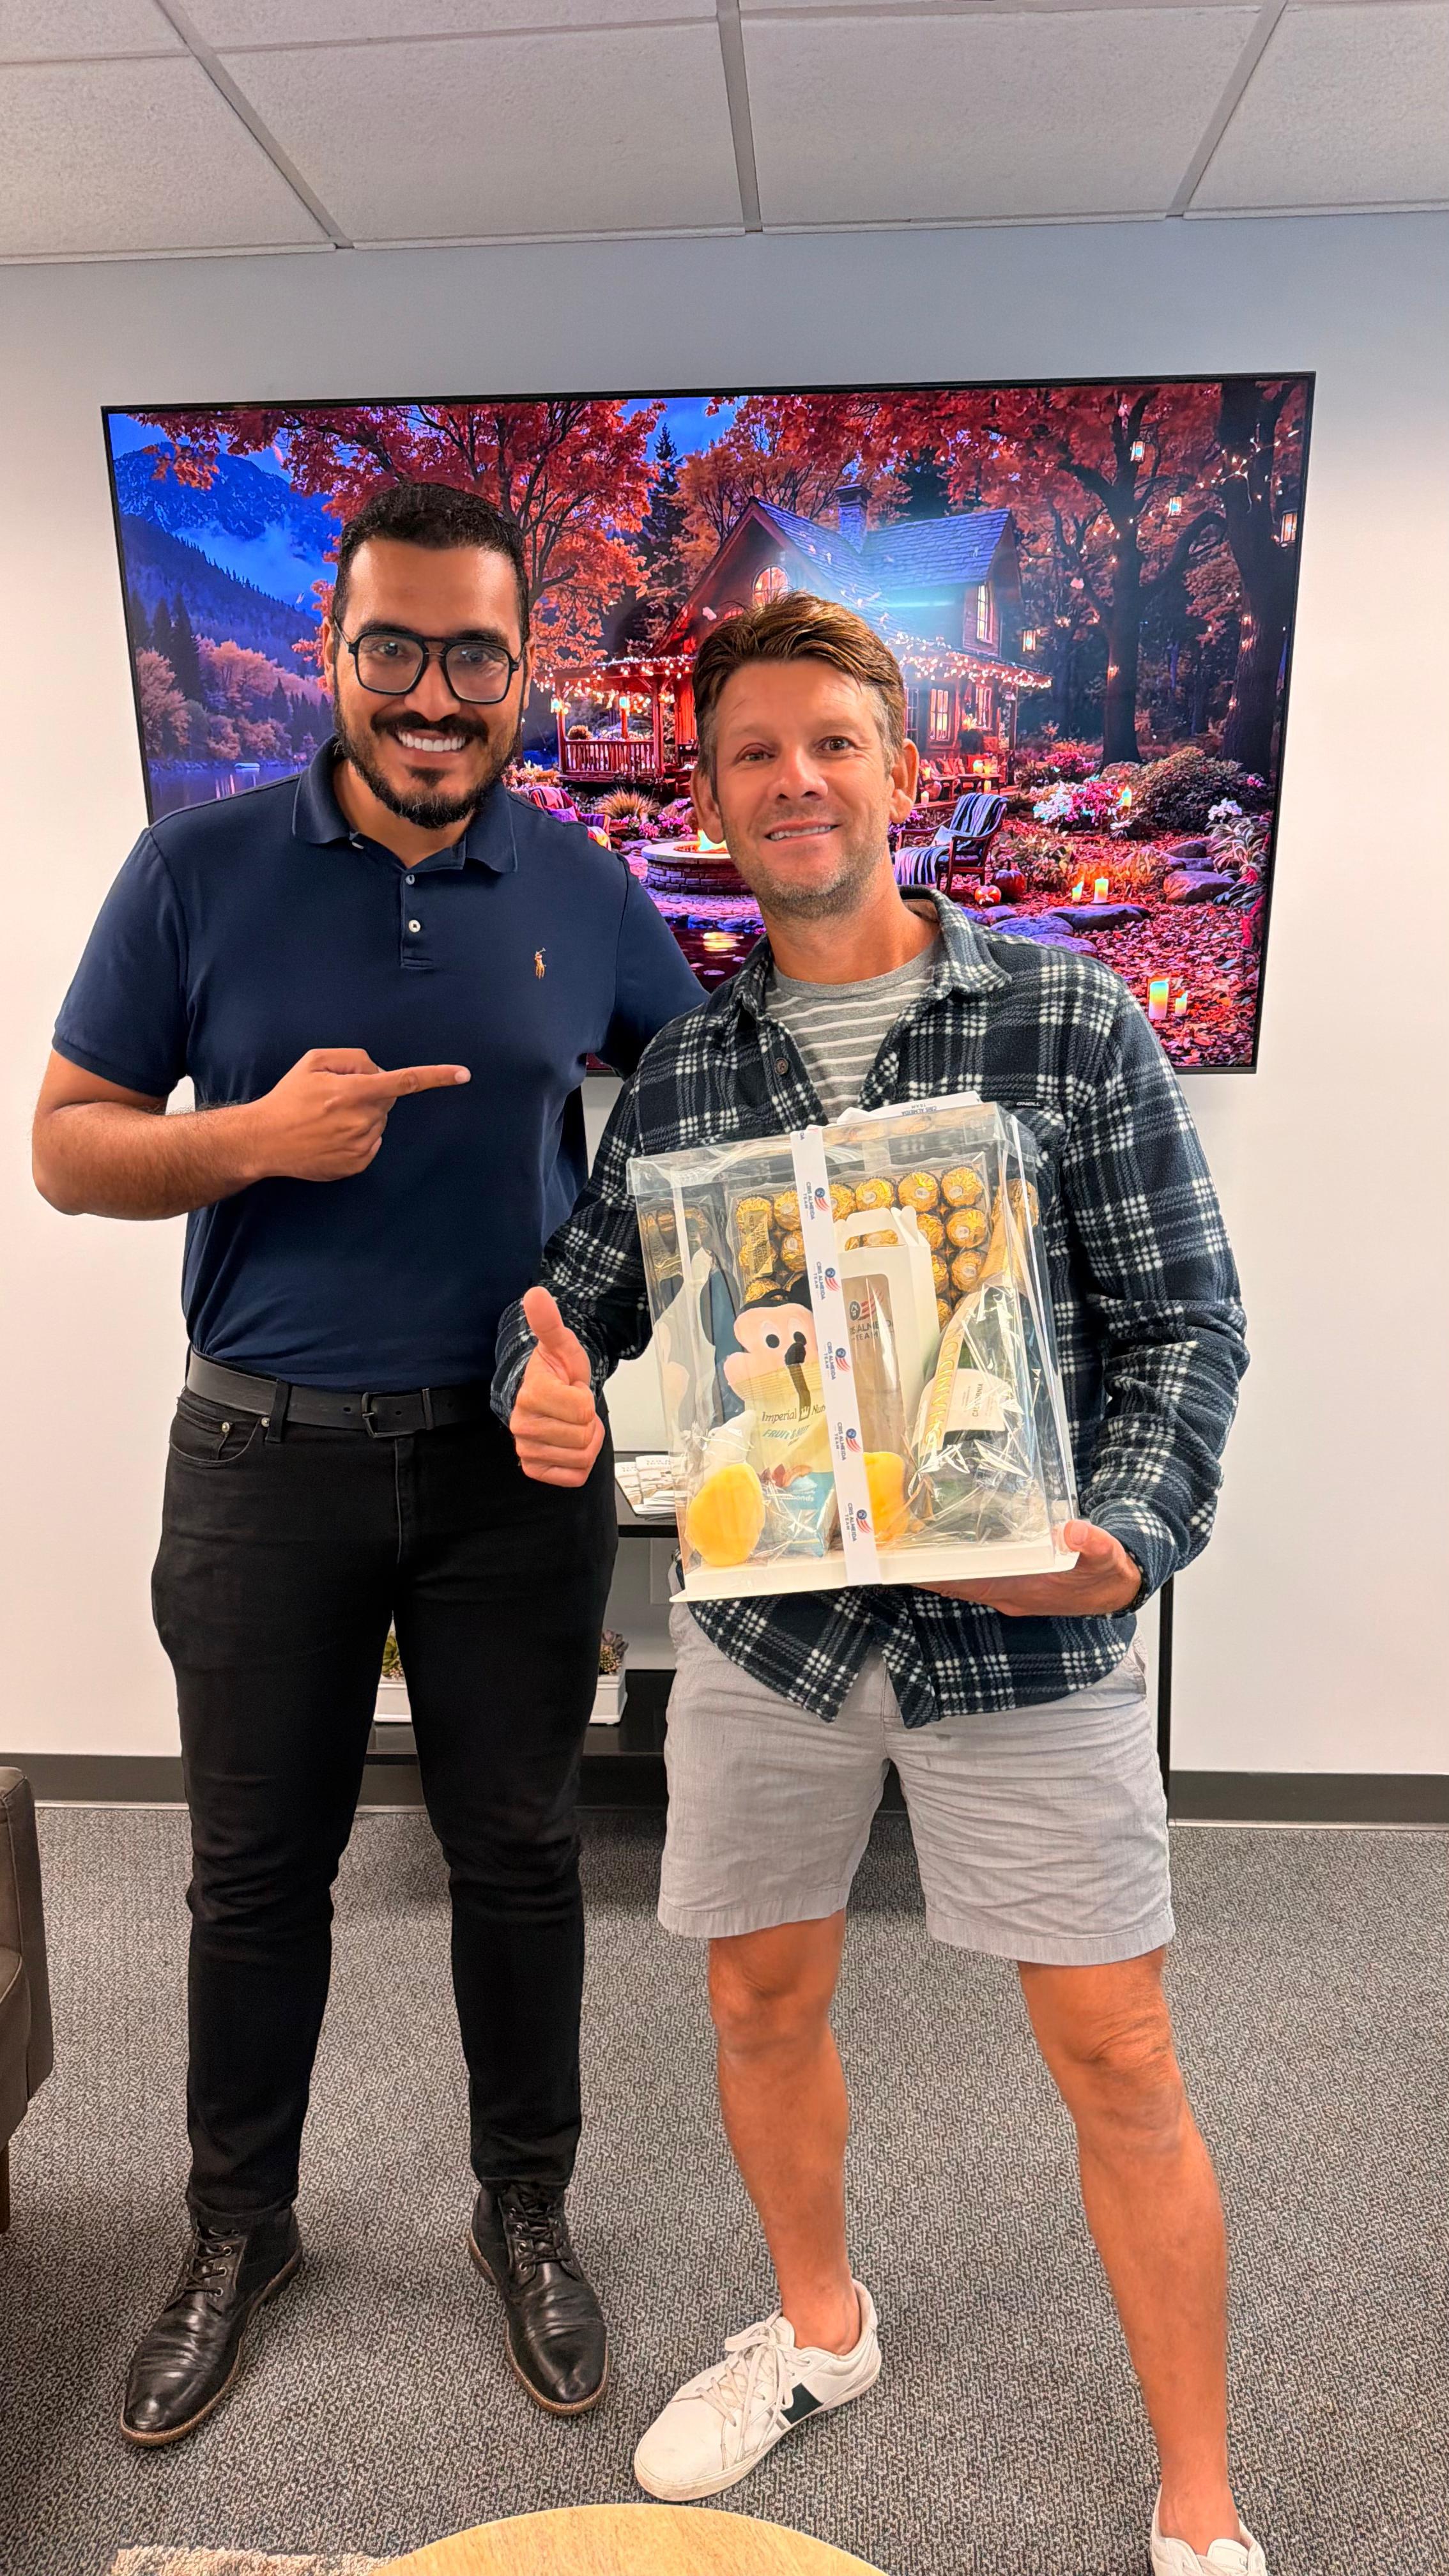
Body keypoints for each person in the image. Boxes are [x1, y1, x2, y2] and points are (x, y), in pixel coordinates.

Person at [499, 594, 1264, 2576]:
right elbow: (575, 1303)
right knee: (759, 2000)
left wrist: (1126, 1536)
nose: (794, 781)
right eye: (751, 753)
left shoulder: (1068, 1018)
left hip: (1026, 1626)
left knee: (1117, 2053)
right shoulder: (685, 1072)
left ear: (900, 771)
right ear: (710, 797)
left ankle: (1198, 2494)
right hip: (775, 1629)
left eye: (831, 742)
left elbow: (1184, 1326)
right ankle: (819, 2328)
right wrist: (540, 1381)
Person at [33, 481, 700, 2446]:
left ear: (523, 667)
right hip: (262, 1459)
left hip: (513, 1471)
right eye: (391, 648)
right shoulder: (194, 868)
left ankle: (525, 2209)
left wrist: (601, 1331)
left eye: (472, 655)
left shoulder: (585, 887)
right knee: (254, 1879)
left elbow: (702, 1130)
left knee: (519, 1855)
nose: (431, 693)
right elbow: (66, 1146)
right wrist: (245, 1138)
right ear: (330, 657)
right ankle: (237, 2231)